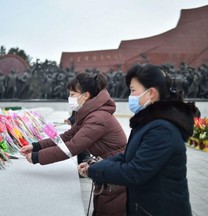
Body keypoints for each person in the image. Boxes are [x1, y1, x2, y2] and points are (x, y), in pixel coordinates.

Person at [79, 63, 198, 216]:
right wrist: (97, 165)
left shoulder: (162, 129)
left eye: (133, 90)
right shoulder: (148, 122)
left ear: (151, 93)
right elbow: (128, 156)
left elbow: (135, 172)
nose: (130, 96)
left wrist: (94, 170)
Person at [20, 72, 127, 216]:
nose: (70, 98)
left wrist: (37, 157)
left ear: (86, 95)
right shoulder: (89, 114)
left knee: (108, 210)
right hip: (108, 167)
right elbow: (67, 136)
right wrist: (36, 146)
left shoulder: (97, 117)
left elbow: (72, 147)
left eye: (72, 94)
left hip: (116, 171)